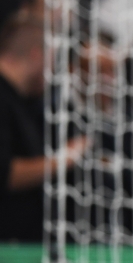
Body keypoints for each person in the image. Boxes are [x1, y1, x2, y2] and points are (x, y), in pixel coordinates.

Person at [0, 20, 87, 241]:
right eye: (52, 59)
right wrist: (63, 159)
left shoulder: (21, 101)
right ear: (36, 55)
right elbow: (5, 174)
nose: (53, 70)